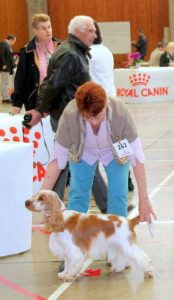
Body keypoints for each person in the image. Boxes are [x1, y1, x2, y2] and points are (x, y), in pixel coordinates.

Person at [24, 15, 108, 215]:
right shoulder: (70, 54)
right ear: (78, 32)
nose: (95, 34)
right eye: (91, 31)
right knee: (84, 160)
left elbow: (52, 83)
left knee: (63, 162)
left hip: (70, 116)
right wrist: (39, 110)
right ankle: (108, 207)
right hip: (69, 118)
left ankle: (50, 206)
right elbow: (52, 85)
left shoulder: (73, 51)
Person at [41, 81, 156, 222]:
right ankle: (74, 236)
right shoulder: (70, 115)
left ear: (106, 104)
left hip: (115, 151)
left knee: (119, 195)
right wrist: (42, 196)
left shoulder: (121, 112)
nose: (94, 122)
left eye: (98, 116)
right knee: (78, 194)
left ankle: (117, 236)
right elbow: (57, 160)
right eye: (87, 117)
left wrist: (144, 200)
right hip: (82, 152)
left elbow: (137, 159)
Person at [89, 21, 134, 195]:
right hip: (112, 100)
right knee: (118, 141)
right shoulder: (106, 50)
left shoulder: (89, 53)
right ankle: (127, 177)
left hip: (97, 103)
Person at [11, 13, 61, 113]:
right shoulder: (26, 52)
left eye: (49, 27)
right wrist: (17, 104)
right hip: (36, 103)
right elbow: (20, 79)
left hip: (60, 102)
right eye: (43, 28)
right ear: (35, 31)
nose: (48, 30)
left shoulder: (62, 47)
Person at [0, 35, 16, 103]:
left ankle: (6, 97)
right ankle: (5, 98)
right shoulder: (3, 44)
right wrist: (3, 64)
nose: (14, 43)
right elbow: (1, 54)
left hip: (8, 67)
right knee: (5, 82)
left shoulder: (7, 45)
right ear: (10, 39)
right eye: (14, 41)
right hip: (5, 67)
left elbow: (9, 56)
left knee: (6, 82)